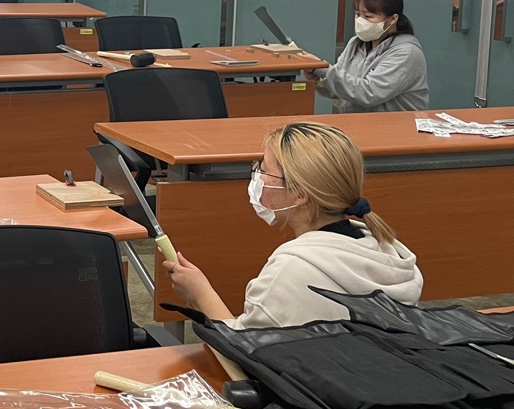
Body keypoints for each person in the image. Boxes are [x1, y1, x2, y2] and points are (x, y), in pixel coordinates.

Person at [164, 122, 422, 329]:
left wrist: (200, 294)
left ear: (299, 195)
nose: (257, 176)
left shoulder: (291, 271)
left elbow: (245, 352)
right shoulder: (390, 252)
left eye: (264, 170)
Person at [309, 0, 429, 112]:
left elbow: (369, 93)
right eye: (358, 14)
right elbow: (344, 90)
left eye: (368, 16)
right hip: (357, 121)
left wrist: (324, 70)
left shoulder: (406, 52)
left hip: (396, 124)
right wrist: (318, 79)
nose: (361, 21)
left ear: (393, 19)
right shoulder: (355, 43)